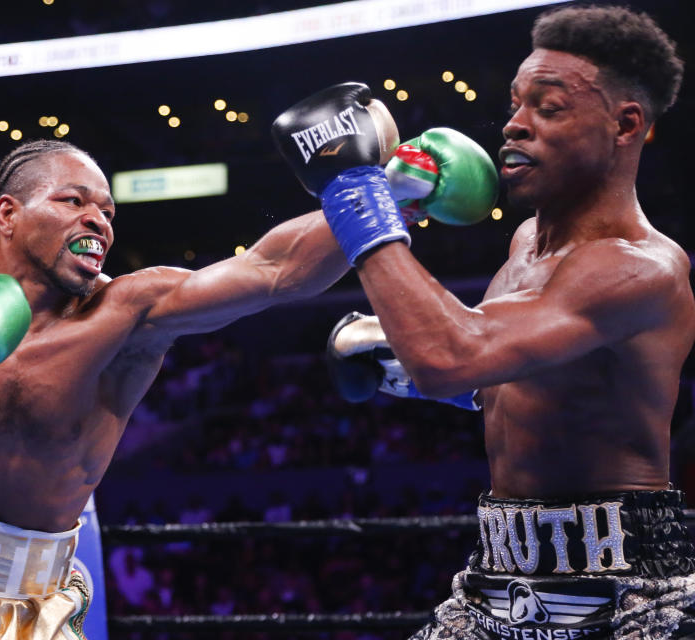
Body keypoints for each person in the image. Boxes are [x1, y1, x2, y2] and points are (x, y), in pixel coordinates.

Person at [0, 124, 492, 639]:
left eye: (107, 210)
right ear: (9, 215)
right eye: (74, 201)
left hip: (31, 604)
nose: (98, 220)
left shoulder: (130, 313)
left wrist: (385, 189)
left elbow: (274, 271)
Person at [273, 5, 695, 638]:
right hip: (496, 574)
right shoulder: (526, 242)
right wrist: (393, 365)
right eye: (516, 104)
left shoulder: (641, 268)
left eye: (548, 109)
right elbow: (505, 378)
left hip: (626, 589)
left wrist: (356, 190)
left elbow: (452, 357)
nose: (514, 127)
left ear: (624, 124)